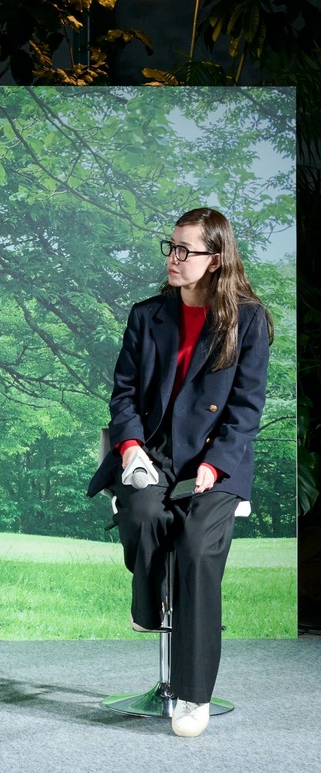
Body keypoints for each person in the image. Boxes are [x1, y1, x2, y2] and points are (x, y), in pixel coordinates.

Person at [88, 207, 273, 738]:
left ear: (215, 259)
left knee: (194, 548)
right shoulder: (146, 315)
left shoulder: (248, 320)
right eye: (170, 246)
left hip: (218, 459)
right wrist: (130, 449)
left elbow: (247, 408)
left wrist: (215, 465)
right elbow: (123, 395)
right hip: (154, 453)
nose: (173, 258)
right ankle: (149, 602)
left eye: (185, 250)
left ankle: (194, 695)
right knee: (143, 513)